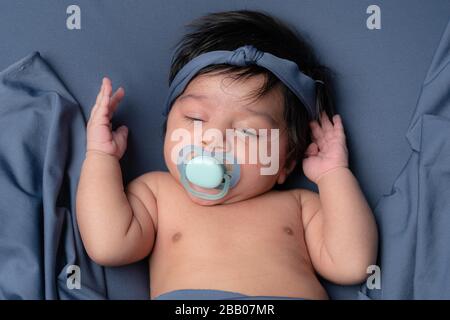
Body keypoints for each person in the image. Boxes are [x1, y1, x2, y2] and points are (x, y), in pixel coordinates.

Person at [76, 10, 378, 300]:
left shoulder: (299, 206)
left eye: (248, 132)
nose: (214, 140)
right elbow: (108, 245)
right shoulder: (156, 193)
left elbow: (352, 264)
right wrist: (101, 157)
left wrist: (333, 175)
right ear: (168, 127)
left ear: (285, 162)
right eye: (195, 119)